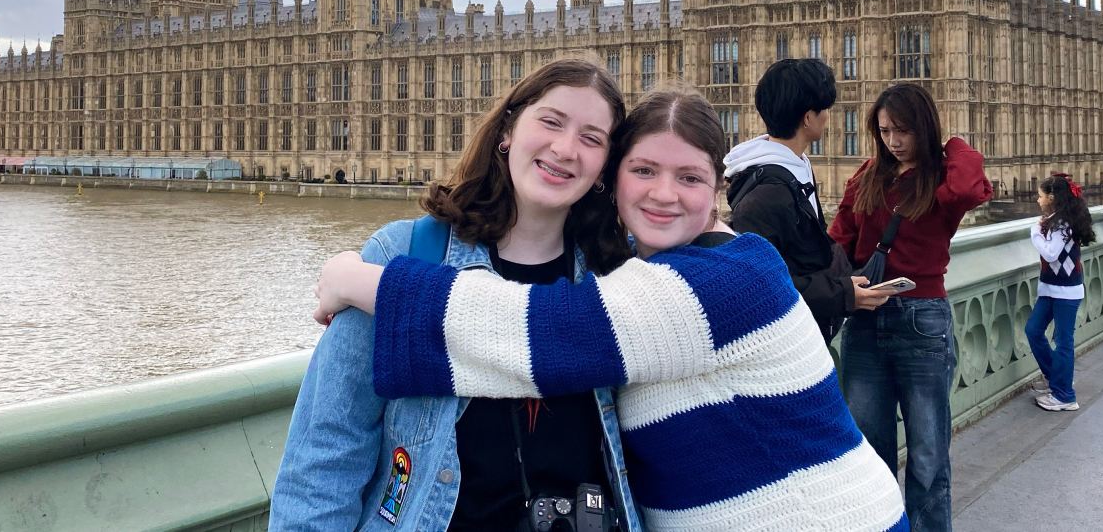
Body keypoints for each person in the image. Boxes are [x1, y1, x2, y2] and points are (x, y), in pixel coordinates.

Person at [314, 89, 908, 530]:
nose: (663, 193)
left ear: (718, 192)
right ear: (613, 180)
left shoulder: (730, 276)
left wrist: (359, 279)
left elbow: (540, 335)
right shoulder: (628, 270)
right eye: (643, 170)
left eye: (690, 177)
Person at [269, 58, 643, 531]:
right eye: (550, 121)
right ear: (508, 129)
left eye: (592, 138)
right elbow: (323, 459)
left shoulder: (624, 275)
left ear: (606, 165)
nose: (566, 148)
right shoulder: (402, 256)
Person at [829, 83, 993, 532]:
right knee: (868, 450)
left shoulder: (941, 179)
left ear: (923, 128)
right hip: (865, 320)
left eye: (903, 130)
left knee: (927, 455)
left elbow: (967, 185)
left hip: (923, 320)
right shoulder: (866, 178)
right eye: (884, 131)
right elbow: (838, 243)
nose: (893, 141)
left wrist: (951, 142)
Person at [722, 58, 887, 341]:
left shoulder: (796, 168)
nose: (828, 116)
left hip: (808, 328)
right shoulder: (767, 195)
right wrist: (844, 294)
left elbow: (803, 254)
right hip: (784, 343)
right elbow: (759, 286)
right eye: (824, 109)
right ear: (808, 118)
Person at [1025, 173, 1095, 412]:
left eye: (1040, 195)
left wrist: (1034, 231)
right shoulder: (1056, 220)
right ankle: (1057, 378)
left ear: (1052, 198)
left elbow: (1051, 254)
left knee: (1063, 341)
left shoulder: (1061, 224)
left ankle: (1065, 395)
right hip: (1051, 289)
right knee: (1033, 330)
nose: (1037, 199)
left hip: (1065, 291)